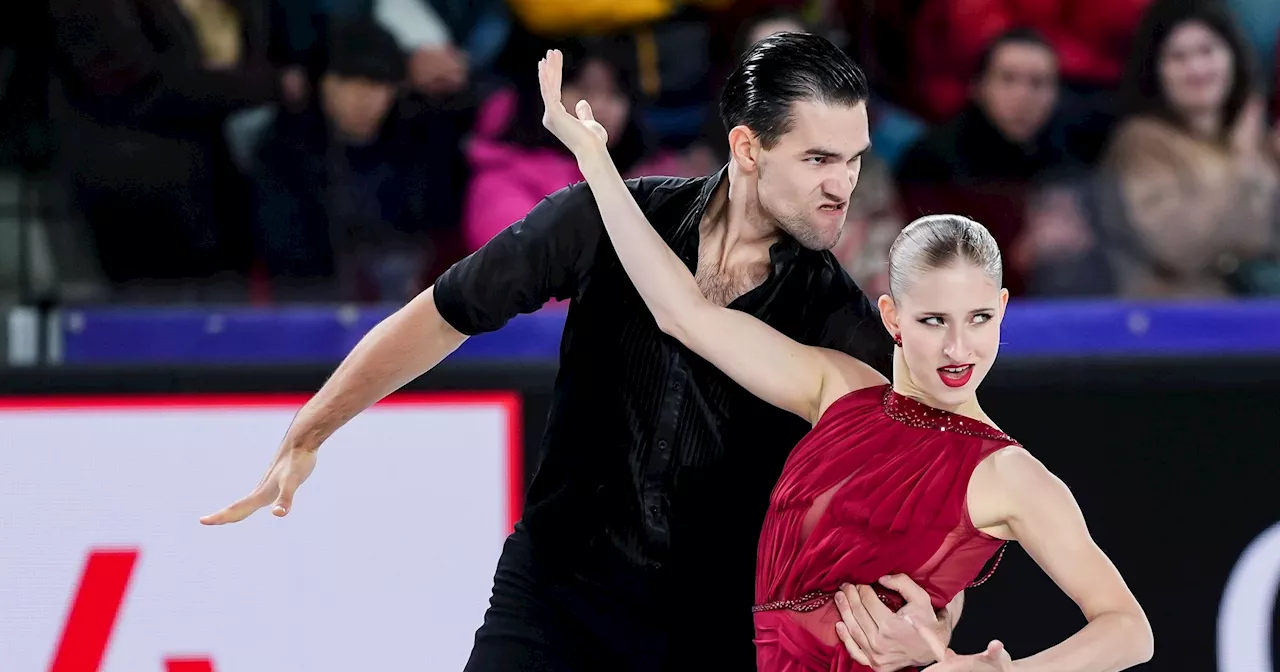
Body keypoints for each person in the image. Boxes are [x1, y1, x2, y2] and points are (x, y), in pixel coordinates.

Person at [200, 33, 962, 671]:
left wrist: (932, 618)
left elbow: (937, 471)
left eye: (854, 159)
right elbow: (443, 313)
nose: (845, 186)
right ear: (748, 148)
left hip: (713, 629)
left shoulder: (839, 316)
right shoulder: (608, 218)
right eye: (819, 160)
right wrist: (313, 426)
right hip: (557, 592)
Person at [535, 44, 1154, 672]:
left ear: (1001, 311)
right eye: (933, 321)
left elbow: (1130, 630)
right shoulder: (839, 390)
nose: (957, 348)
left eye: (978, 320)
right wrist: (595, 161)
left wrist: (996, 671)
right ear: (891, 318)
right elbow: (683, 313)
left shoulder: (1011, 475)